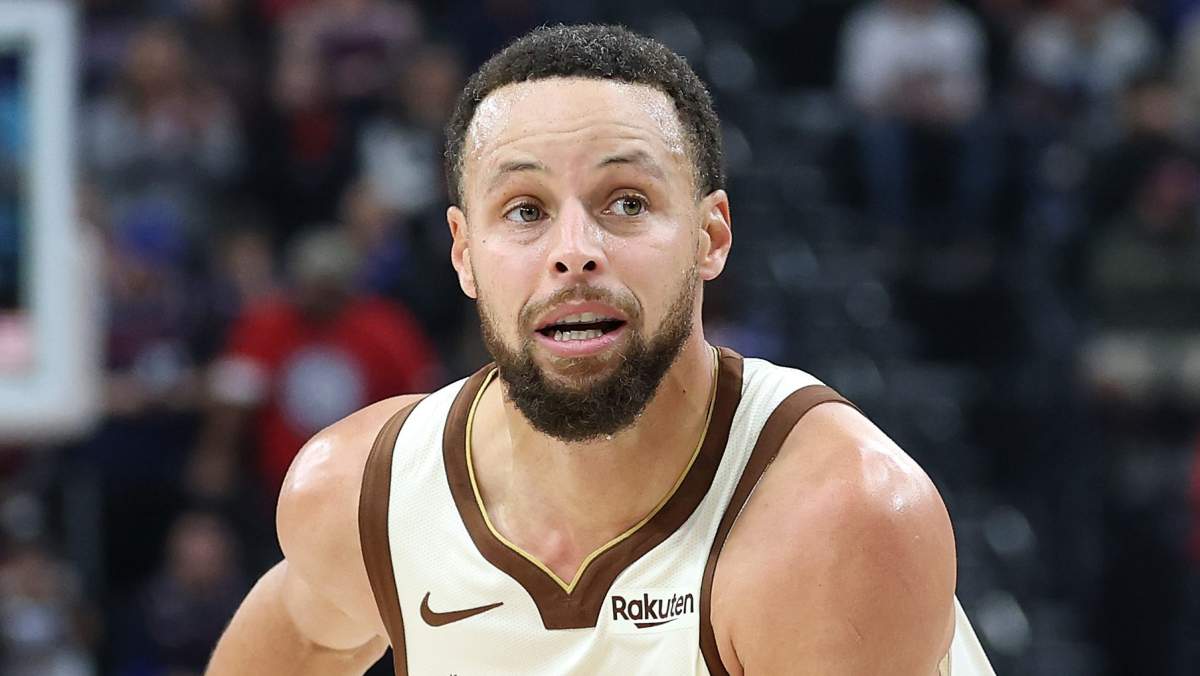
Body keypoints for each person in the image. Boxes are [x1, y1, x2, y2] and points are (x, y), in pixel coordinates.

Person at [208, 24, 995, 674]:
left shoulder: (835, 520)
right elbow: (304, 637)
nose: (574, 251)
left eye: (626, 202)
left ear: (711, 236)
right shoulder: (365, 498)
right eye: (525, 210)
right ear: (463, 253)